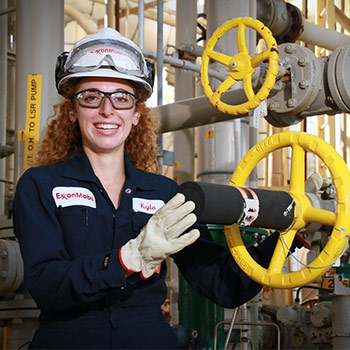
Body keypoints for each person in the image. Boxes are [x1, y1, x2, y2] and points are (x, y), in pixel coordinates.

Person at [13, 28, 279, 349]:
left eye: (122, 98)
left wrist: (288, 238)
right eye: (91, 96)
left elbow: (222, 284)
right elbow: (45, 284)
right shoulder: (40, 186)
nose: (107, 110)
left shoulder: (163, 193)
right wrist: (127, 259)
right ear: (72, 110)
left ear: (137, 113)